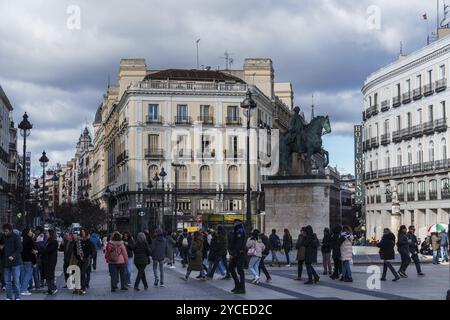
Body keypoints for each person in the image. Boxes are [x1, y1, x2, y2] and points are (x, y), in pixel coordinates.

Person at [1, 224, 22, 300]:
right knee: (7, 282)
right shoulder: (2, 237)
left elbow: (19, 248)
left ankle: (17, 297)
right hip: (6, 263)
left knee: (16, 281)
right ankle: (9, 297)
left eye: (6, 231)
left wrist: (13, 256)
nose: (5, 233)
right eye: (4, 231)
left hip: (15, 263)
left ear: (10, 230)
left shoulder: (16, 237)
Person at [228, 220, 247, 294]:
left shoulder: (240, 230)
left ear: (237, 223)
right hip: (236, 253)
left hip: (239, 253)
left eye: (234, 223)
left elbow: (239, 243)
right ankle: (237, 285)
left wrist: (234, 253)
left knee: (240, 270)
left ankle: (242, 288)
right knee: (231, 268)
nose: (233, 224)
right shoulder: (237, 229)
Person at [20, 228, 36, 296]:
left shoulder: (22, 240)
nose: (31, 232)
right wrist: (34, 262)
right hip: (29, 260)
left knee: (23, 275)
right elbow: (32, 252)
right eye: (30, 231)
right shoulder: (30, 240)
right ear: (27, 232)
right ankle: (23, 290)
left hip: (23, 259)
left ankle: (23, 289)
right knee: (28, 275)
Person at [42, 229, 58, 295]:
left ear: (51, 234)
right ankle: (49, 289)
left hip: (51, 260)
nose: (46, 234)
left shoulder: (54, 242)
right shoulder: (48, 241)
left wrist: (42, 250)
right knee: (47, 275)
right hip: (47, 260)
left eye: (47, 233)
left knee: (50, 274)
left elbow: (49, 250)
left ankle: (54, 288)